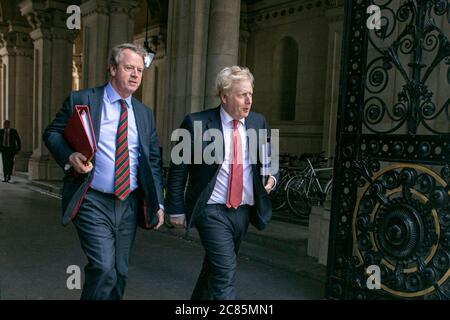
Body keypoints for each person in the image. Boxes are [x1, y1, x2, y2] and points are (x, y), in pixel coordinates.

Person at [43, 43, 165, 300]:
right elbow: (52, 133)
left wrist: (159, 203)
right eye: (129, 68)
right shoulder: (83, 100)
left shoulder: (144, 114)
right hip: (92, 198)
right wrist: (70, 156)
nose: (135, 75)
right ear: (112, 68)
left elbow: (153, 161)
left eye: (140, 71)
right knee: (103, 267)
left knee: (120, 273)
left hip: (129, 202)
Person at [166, 66, 279, 300]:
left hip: (243, 211)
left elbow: (272, 159)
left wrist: (272, 177)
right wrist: (175, 208)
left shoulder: (258, 122)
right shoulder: (195, 123)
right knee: (225, 273)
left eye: (250, 94)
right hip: (211, 210)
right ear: (224, 96)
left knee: (214, 270)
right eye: (242, 95)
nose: (249, 100)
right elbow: (178, 170)